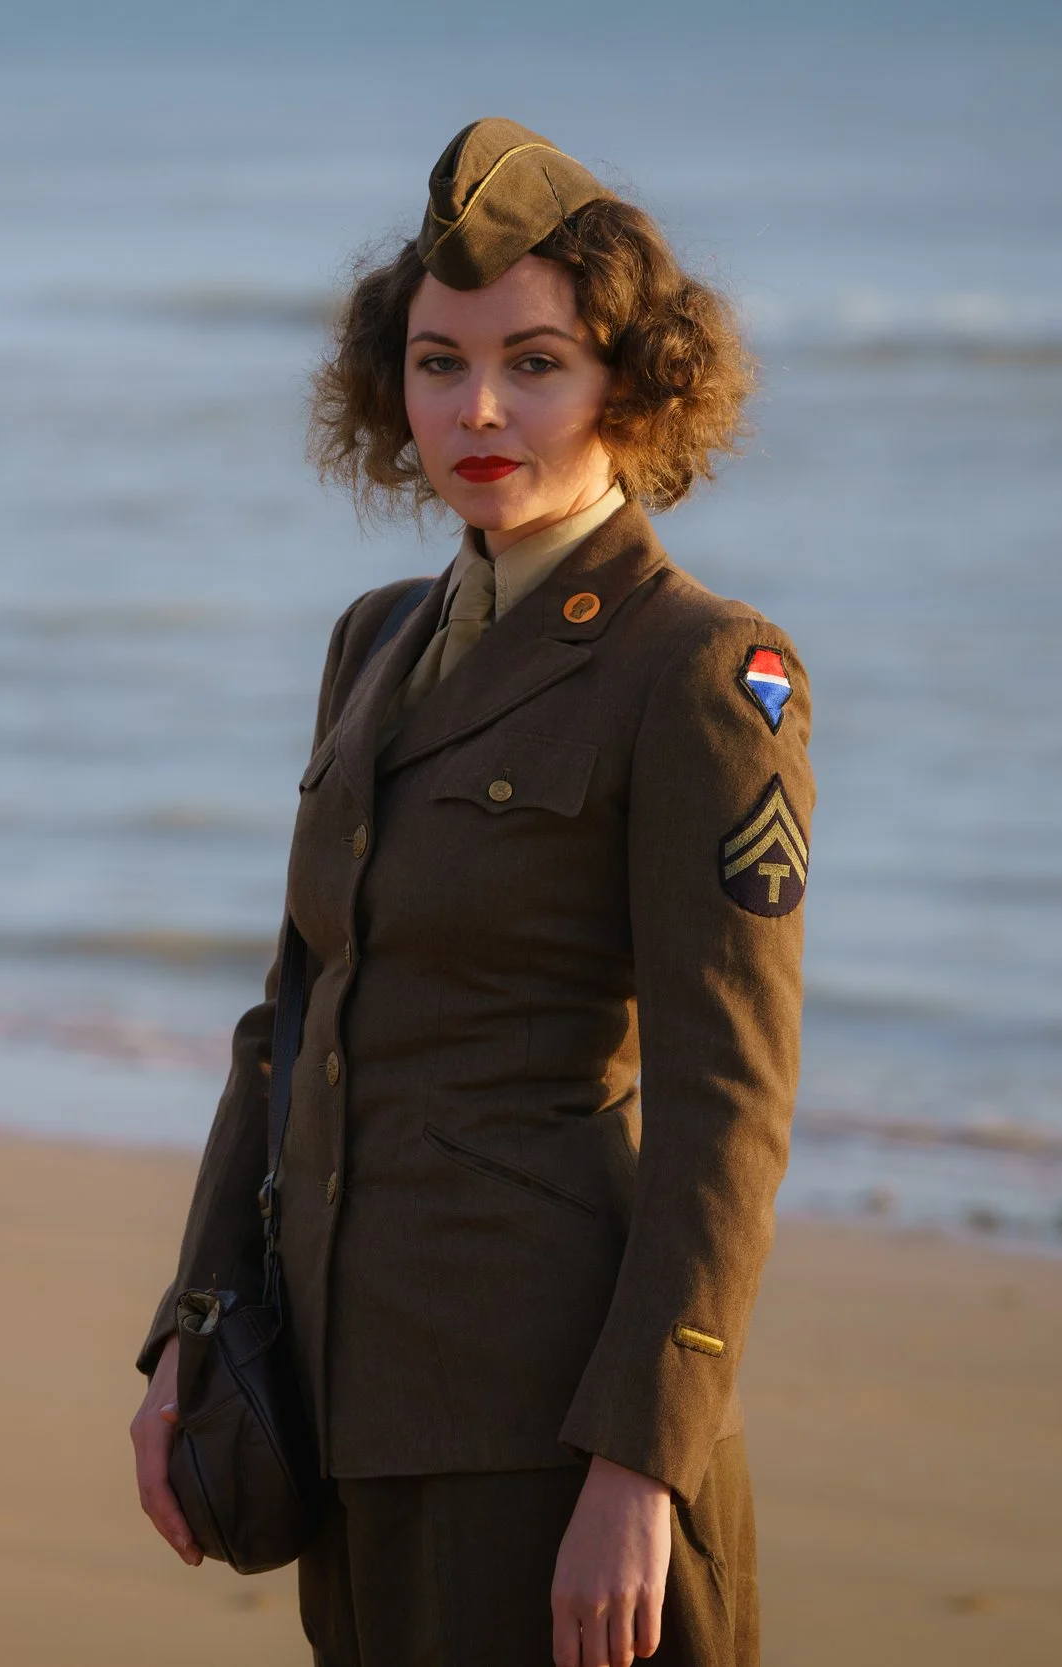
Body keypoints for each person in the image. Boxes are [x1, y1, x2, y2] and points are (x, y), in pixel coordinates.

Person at [129, 120, 808, 1667]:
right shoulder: (375, 637)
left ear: (631, 386)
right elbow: (290, 1015)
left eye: (537, 361)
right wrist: (196, 1318)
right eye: (439, 362)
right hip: (344, 1405)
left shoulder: (700, 668)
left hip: (551, 1424)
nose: (479, 407)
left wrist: (644, 1460)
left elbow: (728, 1104)